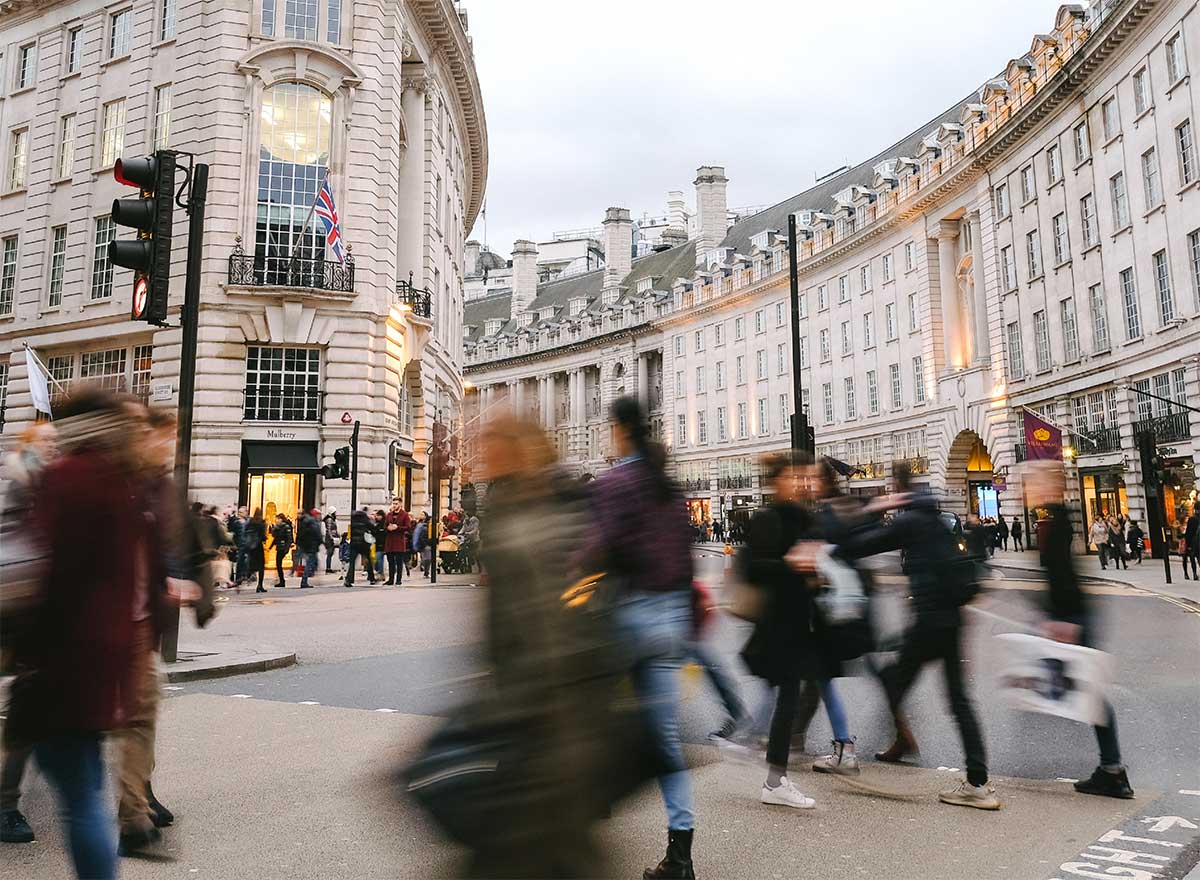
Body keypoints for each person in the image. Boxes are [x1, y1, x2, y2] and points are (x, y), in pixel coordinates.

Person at [15, 389, 148, 878]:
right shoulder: (122, 481)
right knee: (83, 791)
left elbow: (46, 572)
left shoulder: (67, 478)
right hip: (103, 659)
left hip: (63, 659)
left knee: (78, 797)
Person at [829, 461, 998, 810]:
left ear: (897, 489)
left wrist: (873, 509)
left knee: (892, 679)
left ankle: (887, 748)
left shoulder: (909, 521)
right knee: (959, 700)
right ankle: (978, 782)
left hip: (928, 622)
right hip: (952, 619)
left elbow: (856, 545)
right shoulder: (937, 519)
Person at [580, 397, 699, 880]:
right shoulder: (668, 488)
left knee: (587, 711)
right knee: (666, 739)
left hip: (630, 615)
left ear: (619, 430)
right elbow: (685, 555)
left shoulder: (614, 483)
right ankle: (681, 855)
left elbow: (595, 548)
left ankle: (587, 808)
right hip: (671, 616)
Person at [739, 452, 855, 814]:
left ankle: (770, 772)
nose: (803, 482)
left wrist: (816, 572)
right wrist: (791, 565)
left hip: (799, 623)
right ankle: (770, 774)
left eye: (805, 476)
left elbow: (820, 557)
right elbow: (754, 569)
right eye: (795, 476)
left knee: (788, 697)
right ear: (778, 480)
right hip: (779, 626)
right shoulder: (767, 518)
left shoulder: (804, 516)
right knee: (786, 696)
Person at [1025, 460, 1134, 799]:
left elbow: (1061, 574)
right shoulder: (1053, 518)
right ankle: (1111, 769)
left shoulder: (1054, 522)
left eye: (1034, 482)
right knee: (1082, 690)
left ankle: (1113, 771)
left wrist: (1063, 620)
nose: (1028, 489)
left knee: (1089, 692)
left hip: (1072, 617)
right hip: (1069, 615)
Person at [1, 423, 57, 845]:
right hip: (17, 606)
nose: (54, 445)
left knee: (29, 704)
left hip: (33, 608)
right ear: (29, 445)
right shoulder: (27, 482)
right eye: (47, 441)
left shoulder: (46, 481)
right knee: (25, 706)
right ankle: (5, 805)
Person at [344, 506, 377, 586]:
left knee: (352, 563)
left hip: (354, 543)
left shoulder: (354, 520)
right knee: (368, 561)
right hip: (364, 543)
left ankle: (349, 580)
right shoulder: (365, 519)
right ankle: (371, 578)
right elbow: (372, 528)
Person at [383, 499, 412, 586]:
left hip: (399, 541)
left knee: (399, 562)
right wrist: (388, 528)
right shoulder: (389, 514)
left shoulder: (405, 515)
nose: (394, 505)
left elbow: (408, 527)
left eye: (396, 504)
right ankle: (391, 579)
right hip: (390, 541)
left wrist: (397, 527)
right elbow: (385, 525)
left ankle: (398, 579)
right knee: (390, 562)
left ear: (400, 504)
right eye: (394, 503)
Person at [296, 509, 323, 588]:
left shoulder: (305, 522)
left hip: (306, 546)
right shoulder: (312, 522)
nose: (319, 516)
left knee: (312, 562)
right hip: (312, 546)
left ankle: (309, 578)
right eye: (318, 515)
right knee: (310, 563)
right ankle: (304, 581)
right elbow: (317, 533)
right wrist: (321, 541)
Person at [244, 509, 268, 592]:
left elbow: (245, 533)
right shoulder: (261, 523)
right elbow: (263, 536)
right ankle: (260, 585)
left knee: (252, 564)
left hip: (250, 547)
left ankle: (244, 577)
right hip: (258, 547)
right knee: (261, 567)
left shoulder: (249, 523)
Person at [270, 513, 294, 588]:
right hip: (279, 547)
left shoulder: (286, 527)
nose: (276, 520)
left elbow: (289, 538)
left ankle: (282, 581)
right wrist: (271, 546)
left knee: (279, 564)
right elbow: (275, 537)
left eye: (277, 519)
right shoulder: (278, 527)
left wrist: (286, 549)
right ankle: (281, 580)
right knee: (278, 564)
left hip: (283, 548)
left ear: (281, 519)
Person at [1184, 505, 1200, 581]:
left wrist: (1187, 543)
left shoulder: (1192, 519)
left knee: (1191, 557)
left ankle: (1193, 573)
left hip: (1193, 542)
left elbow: (1189, 532)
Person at [323, 508, 339, 573]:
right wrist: (331, 537)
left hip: (332, 537)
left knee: (331, 553)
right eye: (335, 512)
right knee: (329, 553)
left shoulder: (332, 519)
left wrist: (338, 534)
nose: (336, 513)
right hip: (330, 539)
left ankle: (329, 567)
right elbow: (328, 529)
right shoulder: (329, 519)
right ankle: (328, 568)